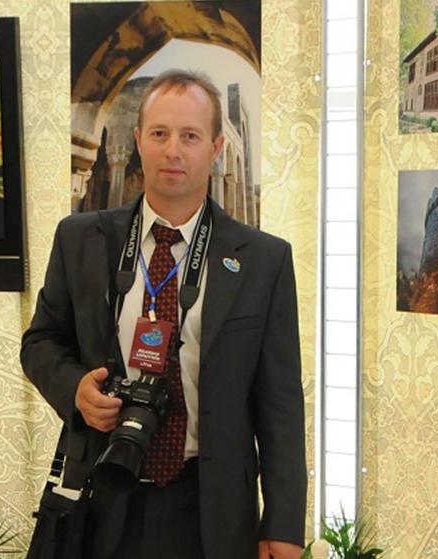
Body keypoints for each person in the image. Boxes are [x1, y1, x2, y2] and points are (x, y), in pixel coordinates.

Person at [21, 69, 306, 559]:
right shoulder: (80, 240)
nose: (173, 150)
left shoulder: (264, 260)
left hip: (210, 510)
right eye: (159, 133)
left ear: (216, 148)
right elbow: (40, 342)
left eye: (190, 136)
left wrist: (283, 525)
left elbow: (280, 403)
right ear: (138, 141)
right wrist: (75, 390)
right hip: (101, 496)